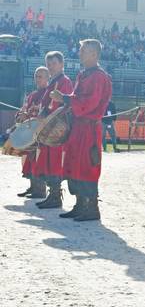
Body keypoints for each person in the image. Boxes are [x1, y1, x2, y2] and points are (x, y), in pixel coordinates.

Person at [50, 39, 112, 221]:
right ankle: (79, 205)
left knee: (86, 166)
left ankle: (91, 208)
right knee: (74, 164)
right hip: (78, 127)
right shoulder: (84, 74)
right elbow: (78, 97)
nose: (80, 53)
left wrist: (66, 99)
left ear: (94, 54)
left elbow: (90, 102)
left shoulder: (99, 77)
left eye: (83, 50)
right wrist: (66, 98)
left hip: (89, 128)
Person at [34, 51, 74, 209]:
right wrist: (42, 115)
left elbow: (67, 105)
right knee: (48, 161)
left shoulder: (65, 81)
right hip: (48, 127)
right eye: (49, 64)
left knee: (55, 162)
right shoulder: (52, 82)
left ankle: (56, 196)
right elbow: (46, 104)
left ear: (62, 64)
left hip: (57, 129)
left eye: (54, 64)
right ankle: (52, 195)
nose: (51, 67)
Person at [16, 67, 49, 199]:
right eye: (36, 76)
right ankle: (33, 187)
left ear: (47, 78)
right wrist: (22, 115)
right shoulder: (32, 95)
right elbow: (23, 110)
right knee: (29, 160)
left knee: (38, 160)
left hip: (42, 133)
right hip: (29, 132)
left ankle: (40, 190)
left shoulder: (48, 94)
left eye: (41, 76)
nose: (38, 79)